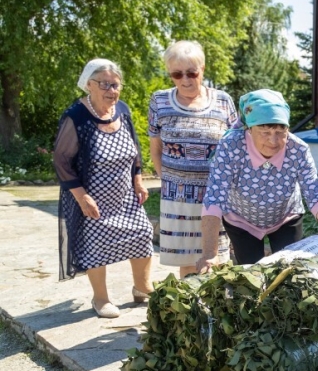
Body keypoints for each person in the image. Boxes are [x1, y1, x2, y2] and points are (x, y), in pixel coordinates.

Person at [196, 89, 318, 270]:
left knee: (290, 272)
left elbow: (315, 196)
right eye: (264, 131)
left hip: (286, 218)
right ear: (249, 129)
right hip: (241, 219)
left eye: (281, 131)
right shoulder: (230, 146)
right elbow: (214, 199)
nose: (273, 141)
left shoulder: (298, 150)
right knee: (250, 274)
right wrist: (209, 254)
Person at [52, 59, 154, 319]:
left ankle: (142, 288)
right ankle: (101, 299)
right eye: (104, 84)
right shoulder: (76, 115)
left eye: (115, 85)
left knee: (142, 233)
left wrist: (138, 179)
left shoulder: (123, 110)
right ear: (88, 85)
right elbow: (61, 159)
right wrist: (81, 196)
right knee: (96, 244)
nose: (111, 90)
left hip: (125, 195)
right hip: (92, 198)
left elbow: (134, 149)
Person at [148, 40, 238, 277]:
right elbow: (155, 148)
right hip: (177, 196)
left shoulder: (223, 100)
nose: (185, 80)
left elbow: (236, 145)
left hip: (216, 195)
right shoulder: (159, 101)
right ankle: (193, 309)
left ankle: (215, 310)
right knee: (187, 261)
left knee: (216, 259)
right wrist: (168, 180)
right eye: (177, 74)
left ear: (203, 69)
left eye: (192, 72)